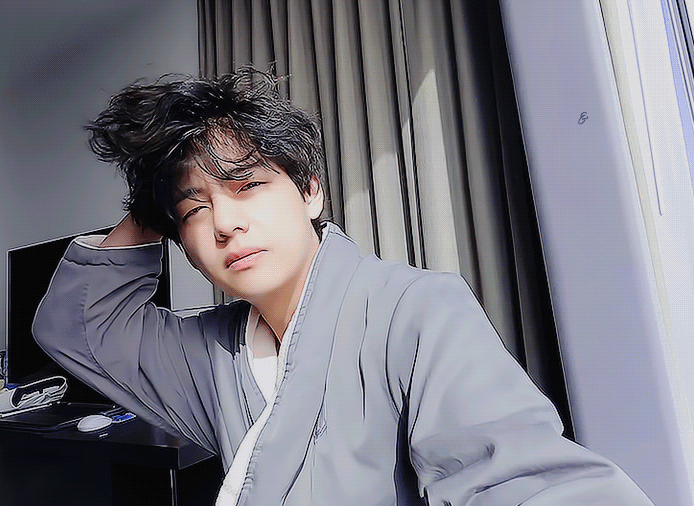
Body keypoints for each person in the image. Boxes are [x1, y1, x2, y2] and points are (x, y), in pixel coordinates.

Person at [33, 69, 654, 505]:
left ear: (310, 191)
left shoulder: (414, 310)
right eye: (196, 209)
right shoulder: (213, 352)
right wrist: (152, 194)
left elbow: (520, 479)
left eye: (247, 185)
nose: (225, 222)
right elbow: (77, 328)